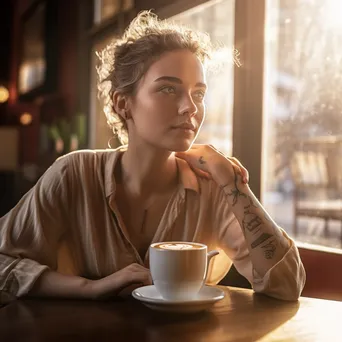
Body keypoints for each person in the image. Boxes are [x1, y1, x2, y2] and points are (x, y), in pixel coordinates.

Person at [0, 11, 305, 304]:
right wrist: (91, 289)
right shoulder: (74, 174)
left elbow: (287, 286)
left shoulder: (214, 186)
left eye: (198, 93)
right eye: (168, 89)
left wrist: (236, 186)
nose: (190, 108)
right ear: (123, 104)